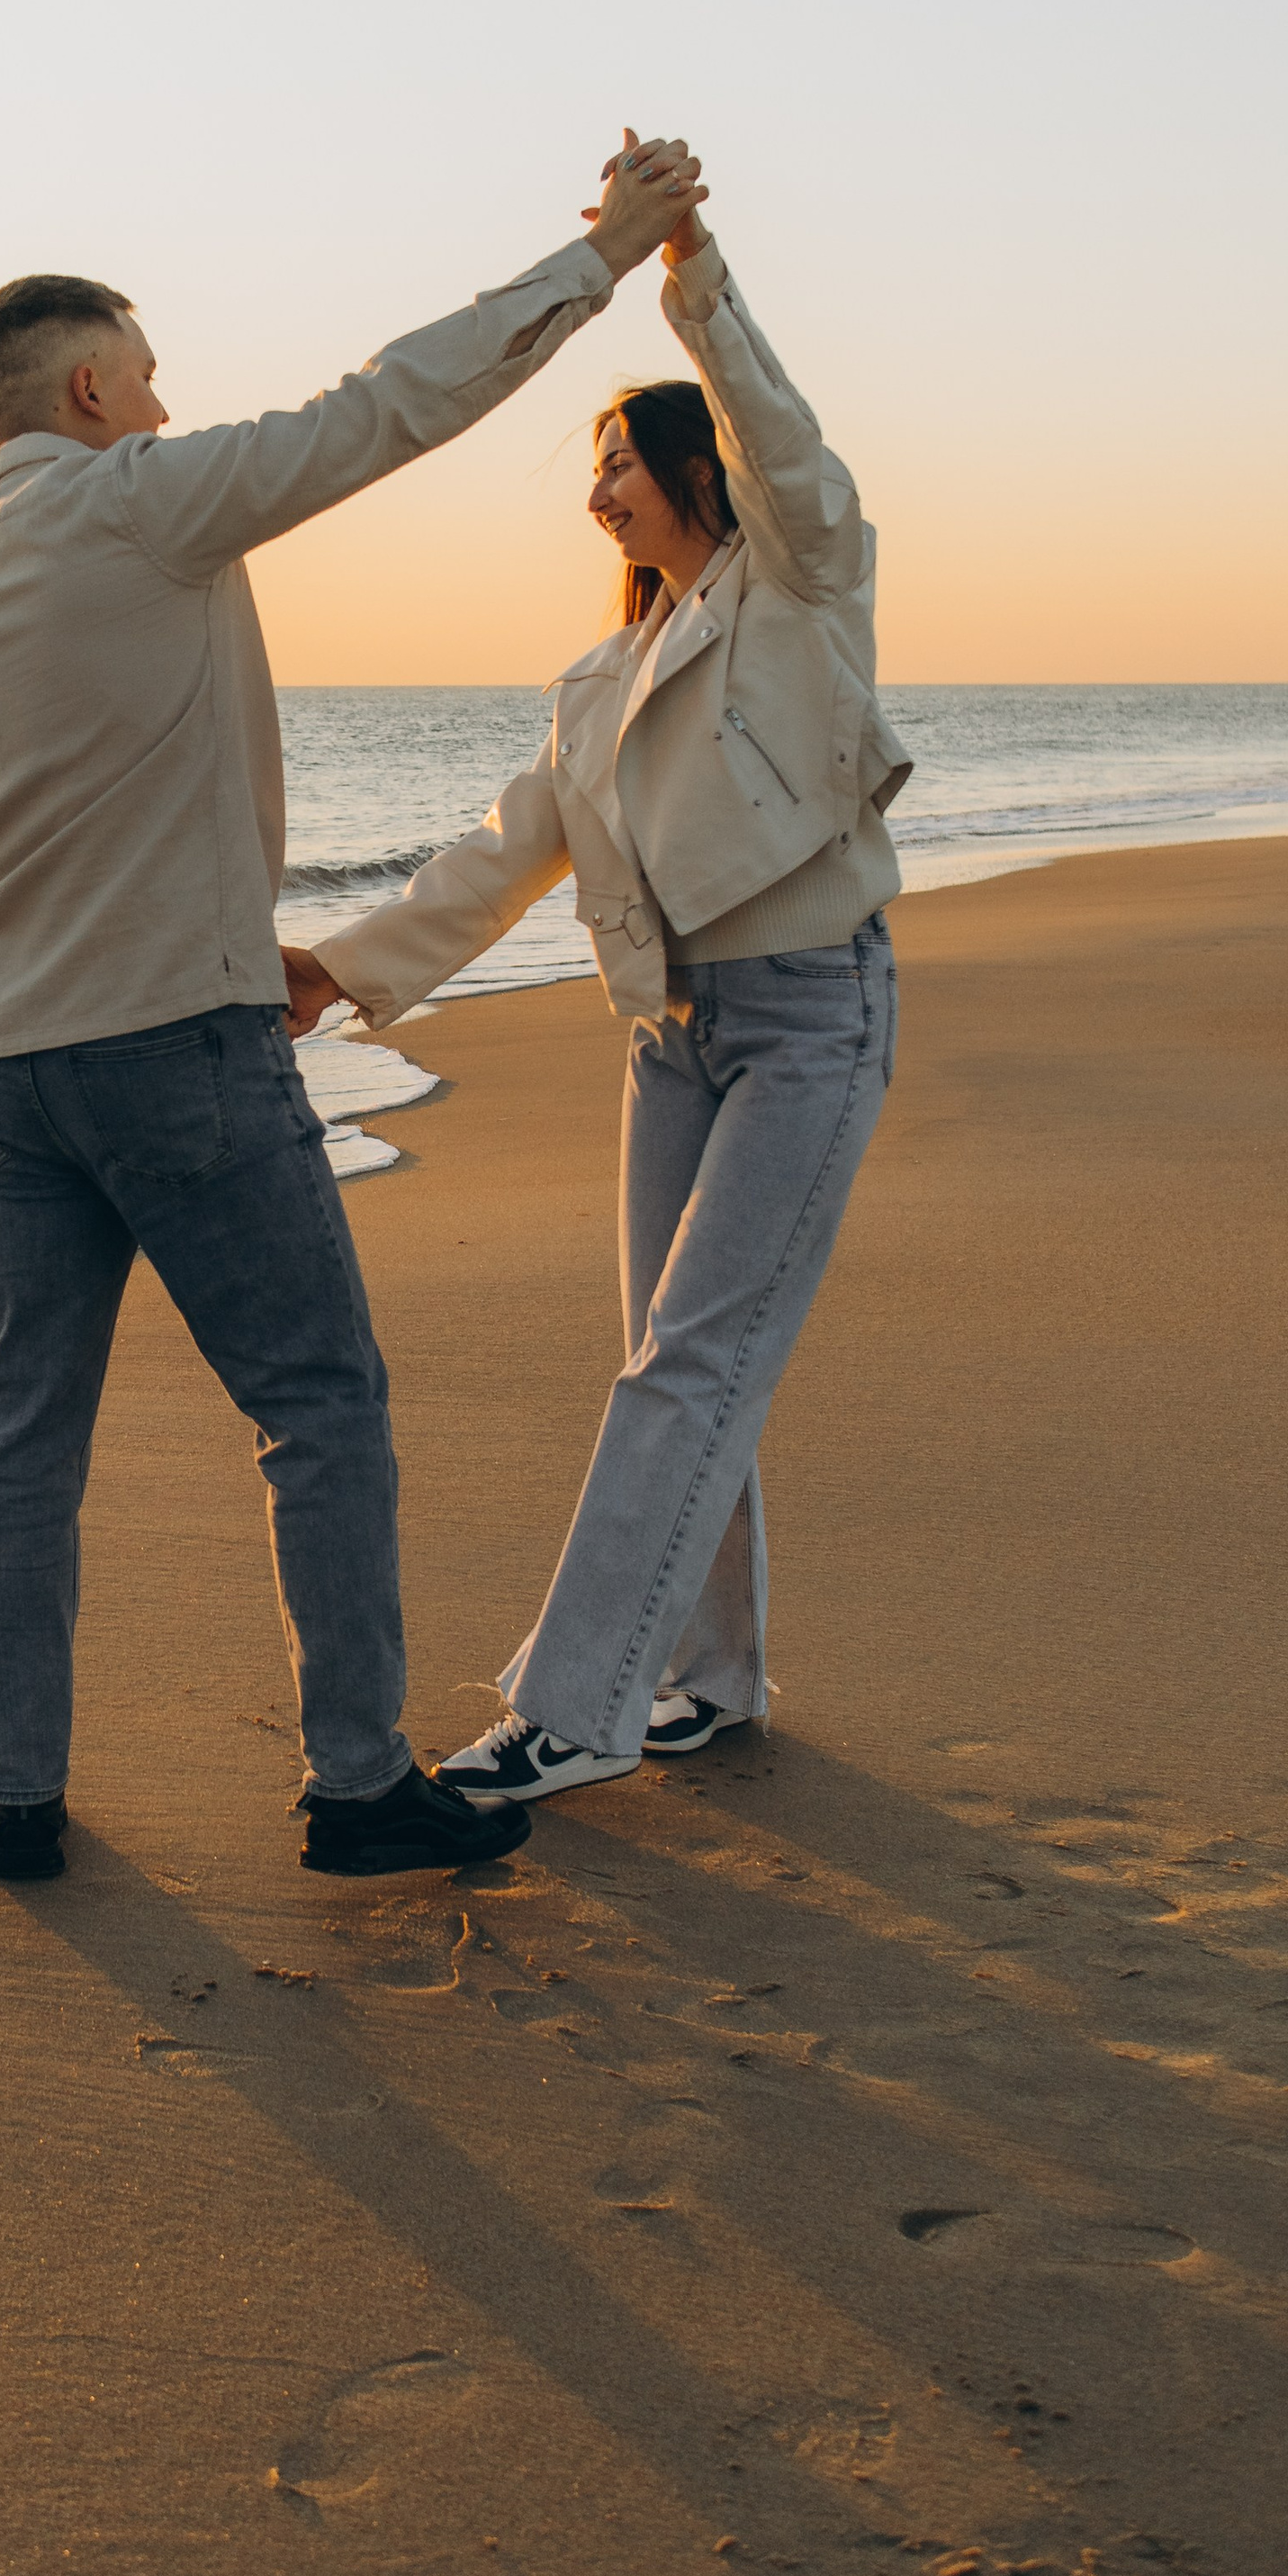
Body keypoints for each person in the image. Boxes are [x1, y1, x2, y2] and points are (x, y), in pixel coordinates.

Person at [0, 133, 707, 1882]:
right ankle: (352, 1786)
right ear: (93, 390)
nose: (171, 409)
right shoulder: (138, 502)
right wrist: (600, 262)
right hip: (171, 1041)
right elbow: (383, 407)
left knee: (23, 1431)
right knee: (317, 1404)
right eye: (152, 380)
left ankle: (15, 1799)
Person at [284, 148, 910, 1807]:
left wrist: (689, 273)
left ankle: (574, 1711)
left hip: (808, 1018)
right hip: (673, 1042)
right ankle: (713, 1682)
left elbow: (787, 440)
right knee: (676, 1358)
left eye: (621, 460)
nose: (599, 491)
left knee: (685, 1368)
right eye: (595, 468)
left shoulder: (801, 583)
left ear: (700, 469)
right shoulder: (595, 679)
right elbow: (504, 852)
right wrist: (330, 970)